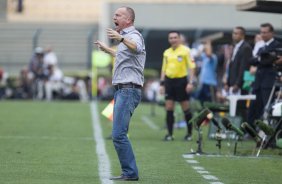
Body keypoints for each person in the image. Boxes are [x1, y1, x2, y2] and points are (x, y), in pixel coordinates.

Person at [95, 6, 145, 181]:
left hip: (128, 90)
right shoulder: (126, 39)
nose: (114, 17)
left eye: (118, 15)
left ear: (128, 20)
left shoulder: (133, 36)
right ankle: (128, 172)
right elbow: (126, 55)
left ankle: (130, 173)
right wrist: (108, 50)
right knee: (119, 133)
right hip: (123, 90)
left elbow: (136, 48)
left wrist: (121, 38)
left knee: (118, 134)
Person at [159, 31, 196, 141]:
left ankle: (189, 134)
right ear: (168, 40)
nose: (173, 39)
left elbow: (192, 67)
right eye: (171, 38)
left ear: (179, 39)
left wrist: (191, 82)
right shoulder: (166, 52)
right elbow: (163, 69)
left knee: (186, 108)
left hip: (181, 81)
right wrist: (162, 84)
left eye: (175, 37)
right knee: (169, 107)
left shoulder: (186, 51)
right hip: (169, 82)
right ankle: (170, 134)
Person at [248, 23, 282, 128]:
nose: (262, 34)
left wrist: (262, 59)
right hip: (258, 81)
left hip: (269, 82)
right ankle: (254, 129)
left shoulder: (277, 45)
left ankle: (268, 130)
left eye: (265, 32)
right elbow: (252, 61)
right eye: (261, 32)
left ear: (271, 33)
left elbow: (270, 60)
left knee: (268, 107)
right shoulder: (261, 47)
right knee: (255, 107)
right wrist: (262, 59)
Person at [225, 26, 252, 121]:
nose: (234, 35)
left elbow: (244, 68)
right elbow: (231, 67)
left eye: (236, 33)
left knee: (241, 107)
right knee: (234, 108)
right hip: (233, 83)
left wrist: (238, 84)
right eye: (233, 33)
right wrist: (228, 83)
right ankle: (236, 129)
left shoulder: (246, 47)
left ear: (242, 35)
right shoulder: (235, 47)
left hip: (240, 84)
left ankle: (244, 130)